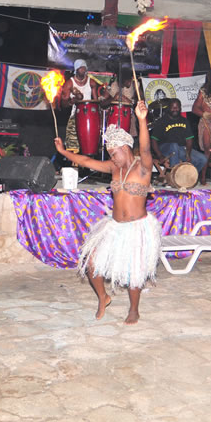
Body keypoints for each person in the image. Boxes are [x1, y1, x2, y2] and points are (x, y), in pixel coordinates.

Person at [54, 101, 159, 325]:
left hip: (137, 227)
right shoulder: (114, 168)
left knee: (134, 273)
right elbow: (86, 161)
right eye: (110, 153)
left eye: (114, 153)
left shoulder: (143, 167)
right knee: (92, 263)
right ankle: (103, 296)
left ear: (126, 148)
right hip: (114, 225)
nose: (112, 157)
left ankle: (134, 310)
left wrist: (141, 120)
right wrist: (63, 151)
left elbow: (146, 148)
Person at [149, 98, 207, 184]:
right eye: (173, 107)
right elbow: (153, 140)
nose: (175, 109)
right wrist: (159, 155)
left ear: (180, 108)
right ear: (168, 108)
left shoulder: (184, 121)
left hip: (181, 149)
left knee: (203, 159)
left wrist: (188, 153)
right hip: (165, 148)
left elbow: (189, 139)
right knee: (174, 145)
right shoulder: (162, 121)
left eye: (177, 107)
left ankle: (188, 177)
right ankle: (175, 179)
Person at [60, 59, 99, 154]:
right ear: (76, 69)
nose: (83, 70)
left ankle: (88, 164)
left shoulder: (91, 82)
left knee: (89, 144)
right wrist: (71, 101)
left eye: (84, 68)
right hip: (76, 115)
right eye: (81, 68)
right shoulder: (69, 83)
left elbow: (96, 101)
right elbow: (63, 105)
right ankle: (74, 164)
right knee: (73, 144)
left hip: (90, 116)